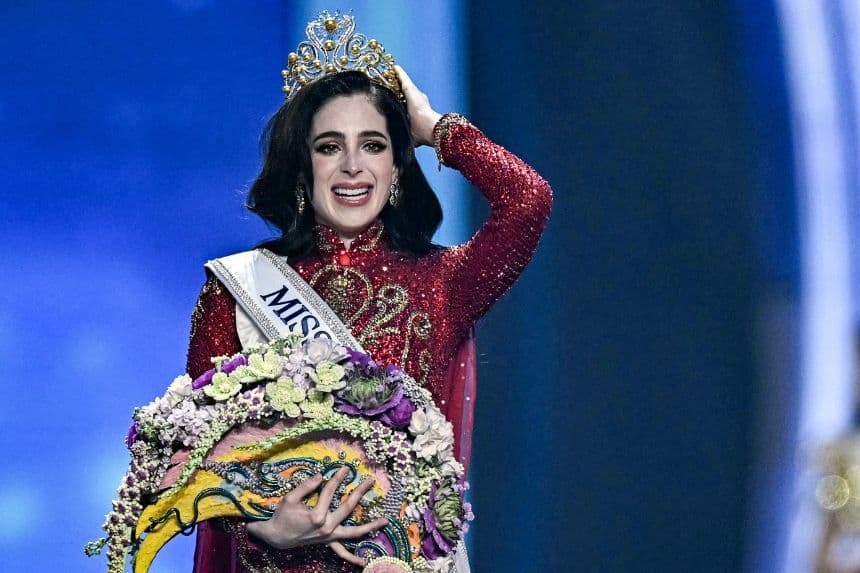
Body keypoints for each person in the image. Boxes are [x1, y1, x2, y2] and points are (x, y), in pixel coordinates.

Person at [185, 12, 552, 573]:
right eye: (330, 146)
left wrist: (434, 127)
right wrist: (263, 527)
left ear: (397, 165)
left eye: (374, 145)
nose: (353, 166)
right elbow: (201, 447)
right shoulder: (237, 288)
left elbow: (528, 201)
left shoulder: (445, 282)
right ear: (302, 167)